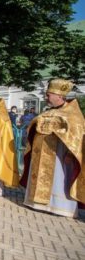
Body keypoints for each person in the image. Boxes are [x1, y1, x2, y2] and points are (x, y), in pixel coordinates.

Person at [21, 79, 84, 217]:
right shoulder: (48, 112)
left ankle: (61, 207)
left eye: (48, 95)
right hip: (40, 154)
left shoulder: (73, 114)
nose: (46, 98)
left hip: (59, 155)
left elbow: (77, 136)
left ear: (59, 96)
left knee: (58, 179)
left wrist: (70, 154)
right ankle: (36, 203)